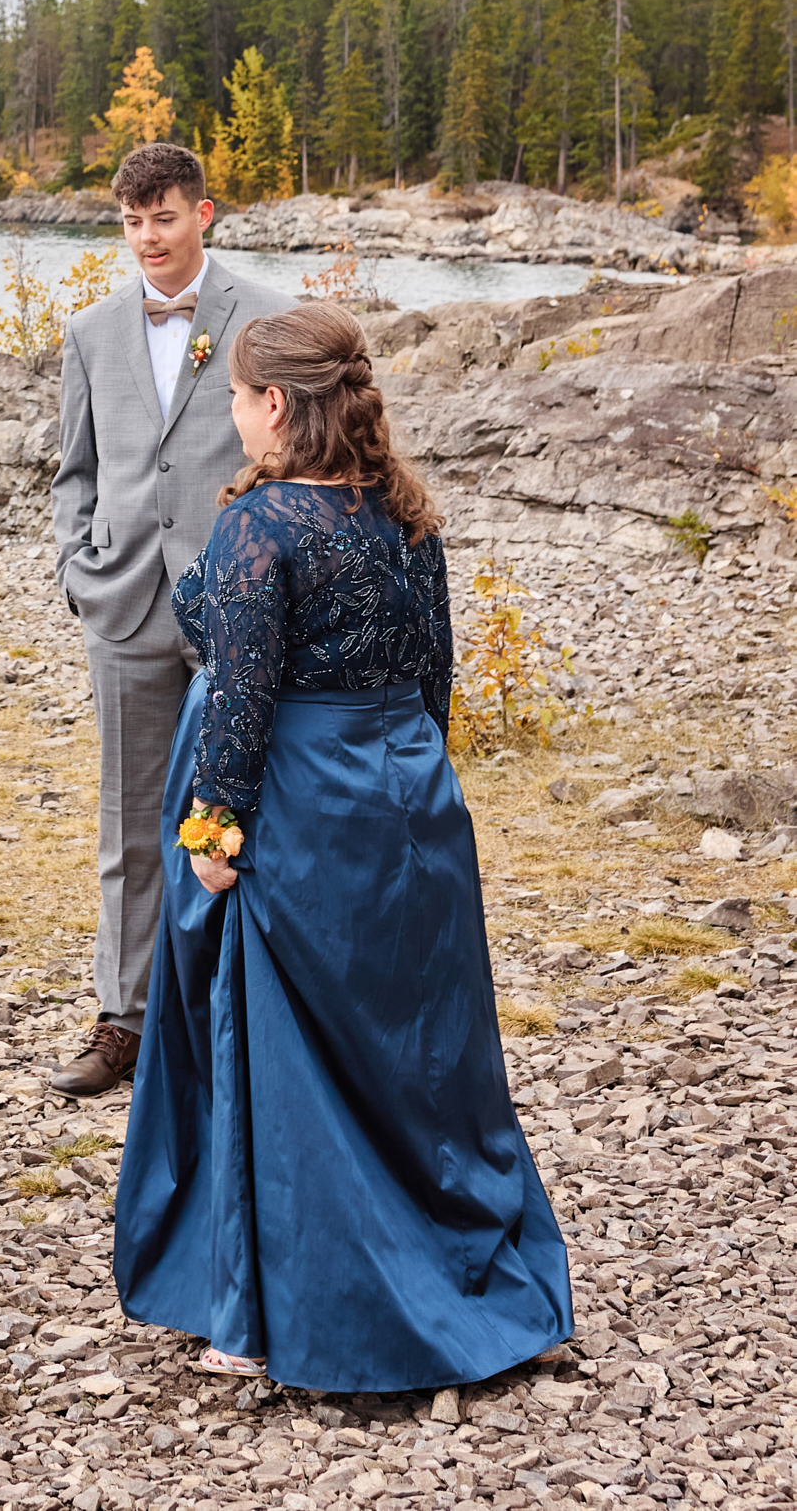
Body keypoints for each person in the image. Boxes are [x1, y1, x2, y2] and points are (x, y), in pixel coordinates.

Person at [112, 301, 573, 1390]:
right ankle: (464, 1264)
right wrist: (413, 783)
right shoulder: (408, 515)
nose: (232, 415)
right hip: (410, 798)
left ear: (275, 405)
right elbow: (435, 683)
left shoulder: (261, 527)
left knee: (291, 1058)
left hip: (306, 805)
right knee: (420, 1047)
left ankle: (275, 1309)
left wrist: (215, 831)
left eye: (234, 396)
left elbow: (242, 700)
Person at [49, 141, 289, 1096]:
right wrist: (79, 571)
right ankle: (124, 1021)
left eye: (165, 217)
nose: (148, 237)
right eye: (133, 221)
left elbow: (294, 450)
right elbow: (73, 471)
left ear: (205, 214)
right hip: (124, 607)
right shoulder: (90, 333)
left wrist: (279, 575)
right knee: (128, 821)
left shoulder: (266, 318)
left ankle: (241, 1013)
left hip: (239, 604)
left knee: (246, 807)